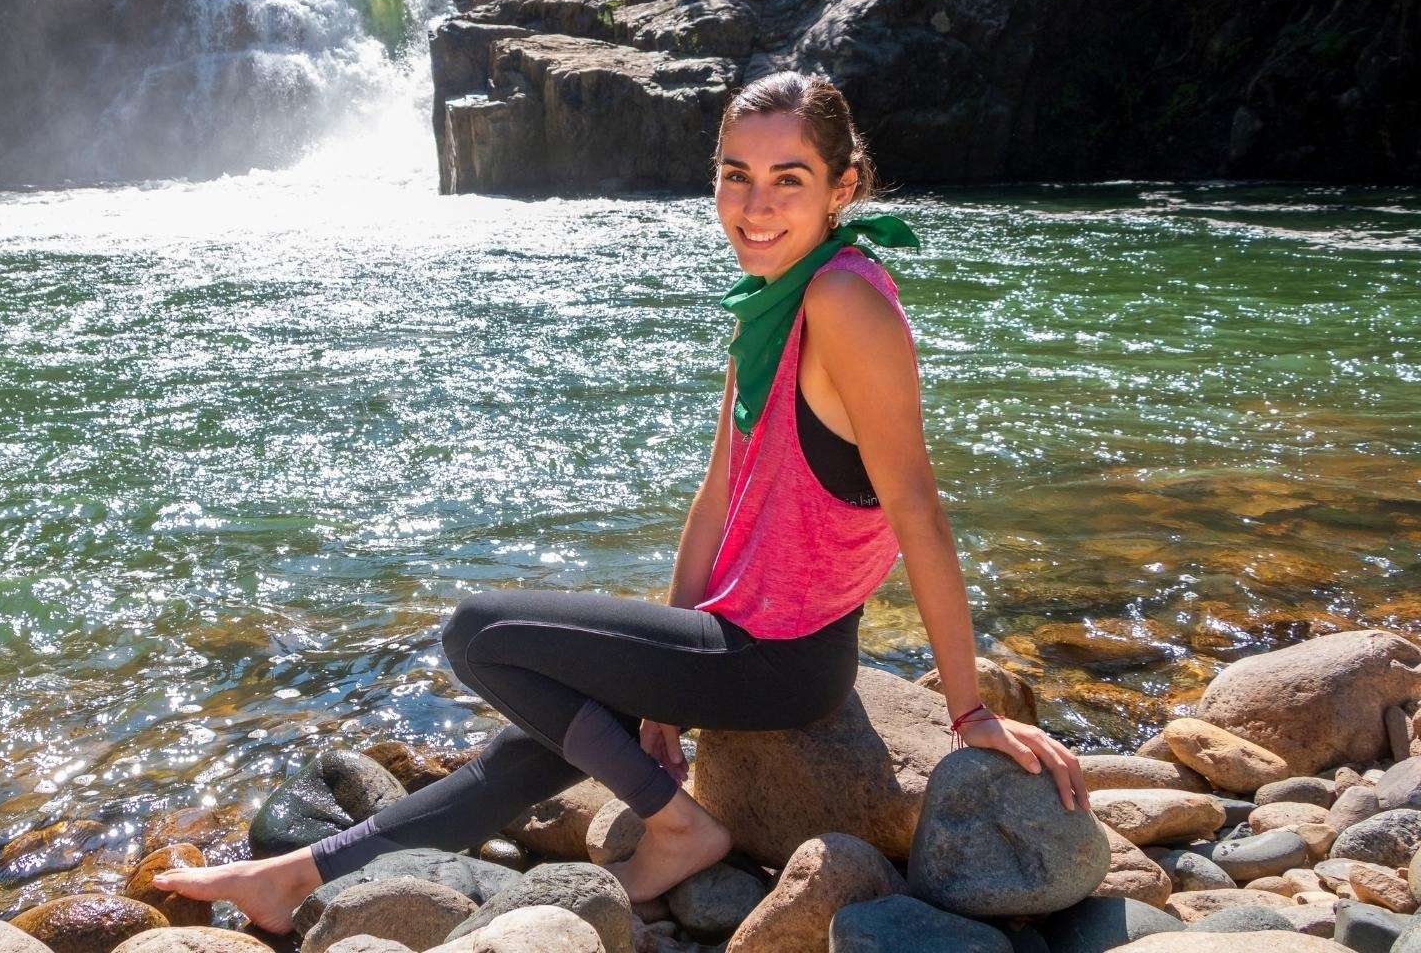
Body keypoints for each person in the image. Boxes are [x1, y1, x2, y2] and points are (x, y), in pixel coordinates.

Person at [151, 69, 1091, 933]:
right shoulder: (771, 301)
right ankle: (302, 875)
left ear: (844, 187)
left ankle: (680, 827)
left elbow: (917, 507)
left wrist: (969, 713)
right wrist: (660, 686)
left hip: (781, 660)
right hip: (743, 639)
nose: (754, 206)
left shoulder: (846, 302)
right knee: (542, 744)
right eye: (736, 175)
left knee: (478, 632)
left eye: (789, 179)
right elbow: (718, 498)